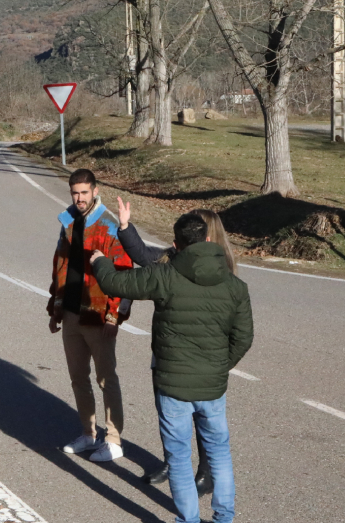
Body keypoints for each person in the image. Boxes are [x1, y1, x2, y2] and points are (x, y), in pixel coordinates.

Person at [89, 212, 253, 523]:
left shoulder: (165, 276)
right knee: (219, 452)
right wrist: (220, 366)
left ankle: (188, 519)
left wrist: (100, 262)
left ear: (176, 245)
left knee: (178, 457)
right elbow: (244, 337)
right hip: (212, 385)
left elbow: (115, 282)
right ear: (207, 240)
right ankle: (223, 517)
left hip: (172, 385)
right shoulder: (235, 285)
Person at [116, 200, 237, 492]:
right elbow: (143, 255)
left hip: (201, 358)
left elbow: (237, 326)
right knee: (168, 414)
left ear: (209, 235)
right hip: (168, 353)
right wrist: (125, 226)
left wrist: (222, 361)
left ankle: (206, 473)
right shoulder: (173, 257)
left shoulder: (220, 270)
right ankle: (173, 461)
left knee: (203, 419)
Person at [47, 169, 134, 462]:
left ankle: (114, 440)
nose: (79, 198)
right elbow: (60, 266)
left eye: (84, 192)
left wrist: (114, 316)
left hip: (98, 314)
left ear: (95, 191)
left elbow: (124, 273)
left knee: (106, 378)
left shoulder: (109, 225)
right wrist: (55, 307)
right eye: (75, 193)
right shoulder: (68, 221)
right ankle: (88, 433)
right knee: (78, 378)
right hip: (71, 312)